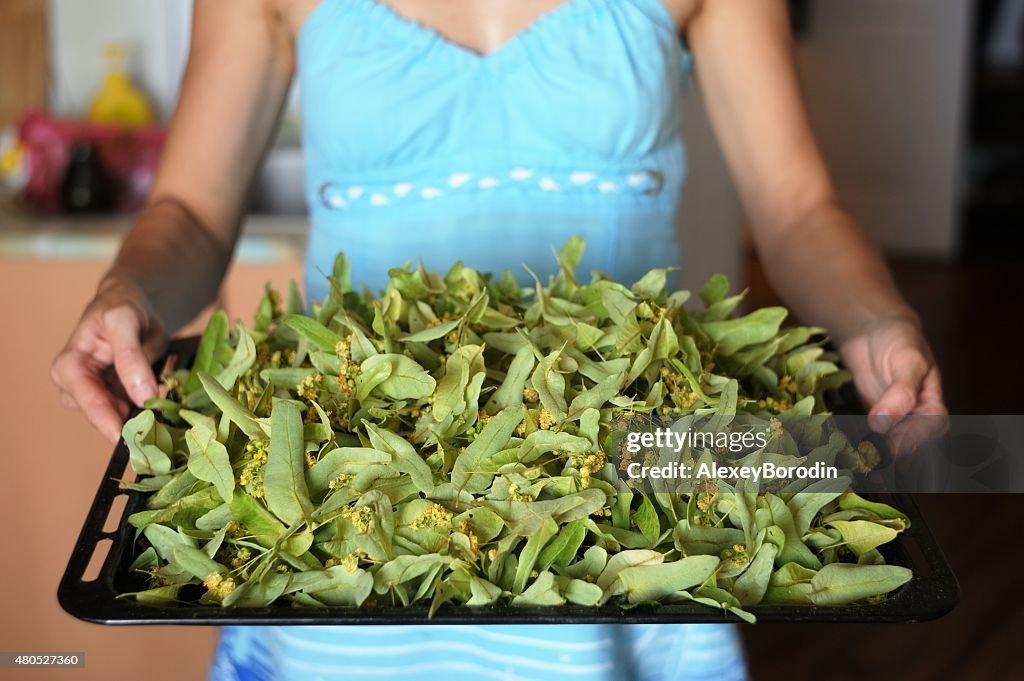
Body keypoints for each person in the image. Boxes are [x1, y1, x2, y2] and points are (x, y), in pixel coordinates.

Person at [50, 1, 948, 679]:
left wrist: (878, 320)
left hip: (642, 482)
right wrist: (126, 290)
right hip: (345, 492)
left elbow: (796, 208)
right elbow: (192, 211)